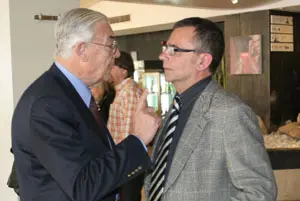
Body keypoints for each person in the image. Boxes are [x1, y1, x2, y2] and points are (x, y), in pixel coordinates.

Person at [11, 8, 160, 201]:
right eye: (110, 45)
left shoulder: (68, 95)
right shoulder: (48, 104)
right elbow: (83, 186)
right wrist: (138, 139)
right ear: (82, 50)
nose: (116, 54)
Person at [145, 17, 277, 201]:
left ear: (203, 61)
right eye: (165, 48)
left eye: (174, 50)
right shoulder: (177, 107)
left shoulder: (230, 113)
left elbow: (259, 192)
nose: (162, 56)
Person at [107, 51, 144, 201]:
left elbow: (128, 134)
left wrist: (118, 165)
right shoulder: (121, 91)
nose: (108, 69)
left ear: (124, 70)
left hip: (126, 165)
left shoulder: (129, 92)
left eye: (112, 66)